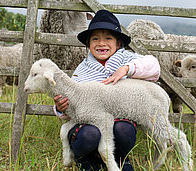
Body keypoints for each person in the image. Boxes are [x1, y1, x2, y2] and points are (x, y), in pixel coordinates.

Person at [53, 10, 160, 171]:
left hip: (118, 118)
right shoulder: (83, 70)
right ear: (88, 44)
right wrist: (61, 108)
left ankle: (120, 158)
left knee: (124, 129)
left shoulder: (127, 59)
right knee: (90, 134)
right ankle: (87, 160)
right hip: (88, 124)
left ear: (118, 43)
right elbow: (71, 99)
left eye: (108, 38)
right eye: (95, 39)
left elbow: (154, 67)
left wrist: (127, 69)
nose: (101, 43)